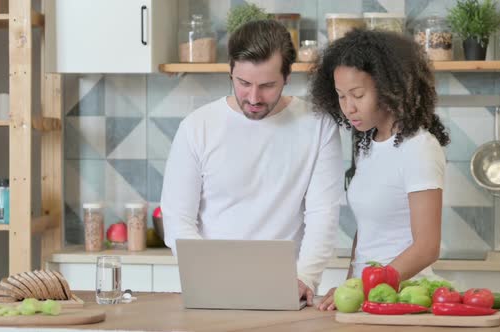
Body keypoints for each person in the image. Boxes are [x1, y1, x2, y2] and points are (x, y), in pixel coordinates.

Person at [160, 20, 344, 306]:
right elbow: (178, 219)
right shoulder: (197, 127)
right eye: (243, 83)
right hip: (209, 288)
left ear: (287, 76)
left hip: (286, 290)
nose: (254, 98)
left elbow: (323, 213)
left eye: (267, 85)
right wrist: (206, 276)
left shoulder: (318, 126)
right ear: (230, 70)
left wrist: (305, 277)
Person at [309, 29, 450, 311]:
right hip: (367, 297)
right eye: (341, 96)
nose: (348, 107)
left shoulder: (419, 147)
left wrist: (366, 286)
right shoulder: (367, 144)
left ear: (389, 88)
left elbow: (427, 247)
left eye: (358, 95)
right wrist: (350, 285)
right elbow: (366, 233)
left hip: (405, 297)